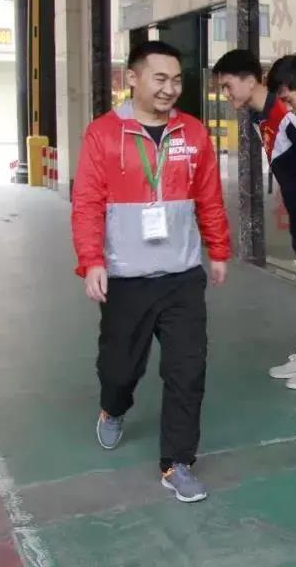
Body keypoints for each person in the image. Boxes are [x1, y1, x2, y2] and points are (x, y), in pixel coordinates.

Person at [71, 40, 231, 504]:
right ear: (132, 78)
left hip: (182, 274)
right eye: (160, 78)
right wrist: (92, 260)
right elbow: (87, 202)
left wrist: (218, 250)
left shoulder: (193, 133)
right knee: (120, 368)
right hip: (126, 277)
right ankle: (113, 407)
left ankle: (177, 463)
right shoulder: (103, 134)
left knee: (187, 370)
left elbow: (209, 197)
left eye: (176, 80)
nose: (169, 89)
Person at [212, 49, 296, 391]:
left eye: (227, 86)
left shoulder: (288, 113)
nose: (225, 95)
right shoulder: (261, 117)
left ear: (250, 80)